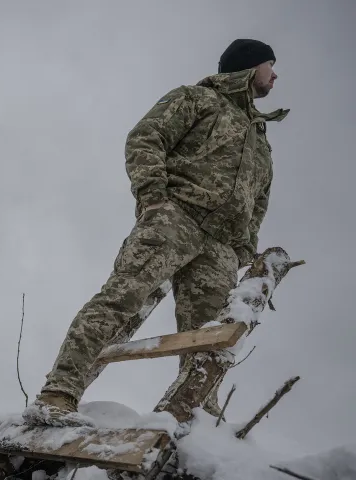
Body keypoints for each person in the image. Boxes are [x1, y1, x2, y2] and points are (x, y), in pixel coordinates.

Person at [27, 39, 289, 424]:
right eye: (271, 64)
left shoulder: (261, 139)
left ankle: (195, 420)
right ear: (250, 67)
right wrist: (154, 199)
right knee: (121, 301)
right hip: (175, 218)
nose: (275, 74)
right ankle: (59, 393)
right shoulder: (197, 99)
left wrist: (244, 249)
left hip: (221, 247)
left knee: (210, 338)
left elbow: (259, 200)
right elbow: (146, 137)